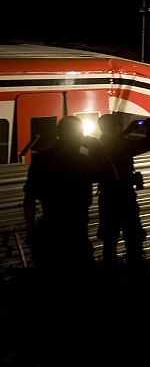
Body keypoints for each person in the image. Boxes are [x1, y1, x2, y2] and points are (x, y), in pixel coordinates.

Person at [23, 115, 98, 273]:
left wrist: (31, 229)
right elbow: (112, 176)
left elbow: (29, 198)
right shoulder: (83, 161)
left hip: (50, 229)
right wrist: (96, 147)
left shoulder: (42, 160)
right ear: (79, 136)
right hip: (76, 232)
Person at [93, 115, 150, 269]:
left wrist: (127, 131)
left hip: (107, 198)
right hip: (124, 196)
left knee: (109, 238)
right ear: (113, 127)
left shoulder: (99, 145)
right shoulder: (120, 145)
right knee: (133, 235)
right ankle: (134, 269)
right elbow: (145, 144)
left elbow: (110, 140)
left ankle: (110, 271)